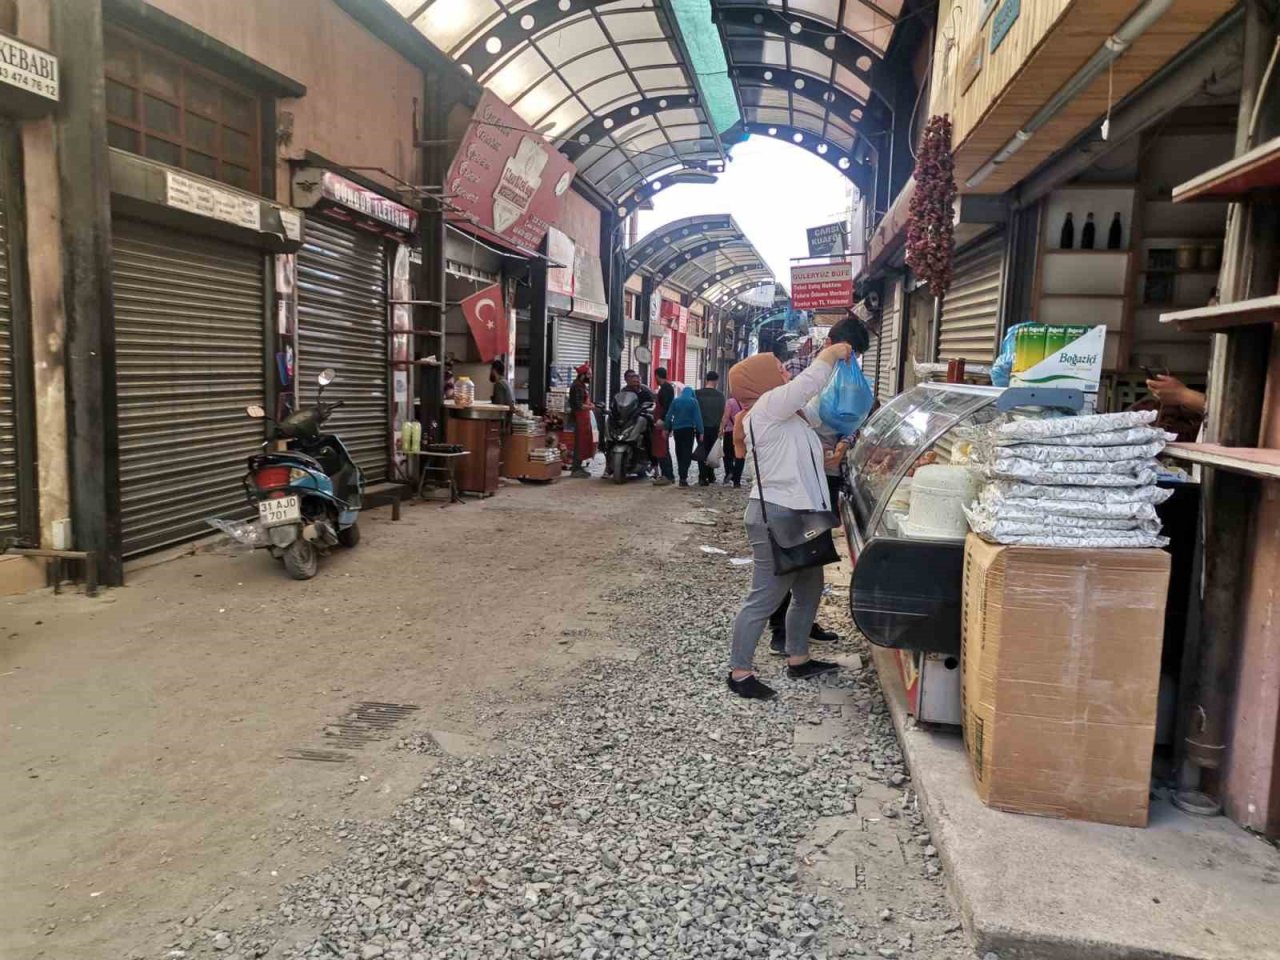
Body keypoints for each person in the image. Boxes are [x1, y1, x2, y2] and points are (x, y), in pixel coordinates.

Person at [727, 342, 853, 700]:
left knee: (810, 588)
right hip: (777, 514)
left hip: (803, 514)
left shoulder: (787, 415)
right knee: (765, 597)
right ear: (761, 380)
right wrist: (833, 352)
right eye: (780, 369)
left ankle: (798, 658)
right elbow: (809, 383)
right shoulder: (767, 406)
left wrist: (831, 457)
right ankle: (739, 672)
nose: (786, 373)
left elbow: (798, 459)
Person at [664, 385, 704, 487]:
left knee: (679, 451)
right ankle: (683, 476)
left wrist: (666, 428)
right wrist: (701, 431)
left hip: (677, 430)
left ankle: (681, 473)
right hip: (689, 430)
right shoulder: (694, 402)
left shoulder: (676, 401)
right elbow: (698, 418)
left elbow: (669, 415)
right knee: (687, 452)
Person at [694, 372, 726, 486]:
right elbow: (723, 413)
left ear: (706, 380)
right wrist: (721, 428)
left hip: (701, 427)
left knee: (702, 450)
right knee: (712, 452)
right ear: (716, 381)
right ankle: (711, 475)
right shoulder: (720, 396)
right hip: (715, 427)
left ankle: (702, 477)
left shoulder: (697, 394)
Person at [567, 363, 595, 478]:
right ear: (583, 375)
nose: (590, 377)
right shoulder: (577, 386)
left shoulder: (581, 385)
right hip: (579, 418)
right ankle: (576, 469)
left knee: (582, 444)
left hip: (583, 418)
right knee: (579, 444)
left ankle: (578, 467)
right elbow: (578, 405)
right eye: (589, 375)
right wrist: (590, 407)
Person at [651, 367, 676, 486]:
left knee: (663, 450)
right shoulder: (666, 388)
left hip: (662, 423)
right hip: (661, 422)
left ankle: (667, 475)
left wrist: (662, 420)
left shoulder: (666, 389)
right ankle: (667, 475)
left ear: (657, 376)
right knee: (662, 449)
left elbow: (667, 407)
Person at [721, 394, 744, 487]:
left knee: (727, 454)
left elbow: (726, 417)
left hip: (730, 432)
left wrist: (721, 429)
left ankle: (730, 471)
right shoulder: (745, 402)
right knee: (740, 456)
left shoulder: (730, 402)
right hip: (742, 432)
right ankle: (737, 481)